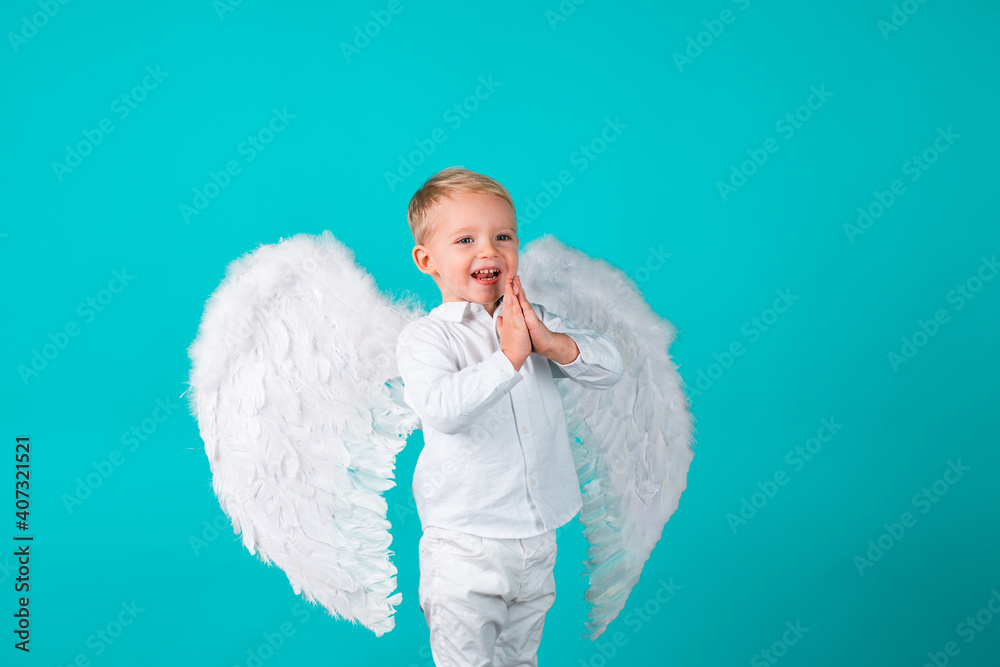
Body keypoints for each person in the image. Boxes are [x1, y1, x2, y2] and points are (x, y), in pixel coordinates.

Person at [395, 166, 624, 665]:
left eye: (503, 236)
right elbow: (442, 409)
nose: (488, 251)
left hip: (538, 536)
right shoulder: (428, 338)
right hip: (466, 544)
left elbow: (609, 369)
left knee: (520, 659)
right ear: (426, 259)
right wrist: (510, 358)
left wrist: (551, 343)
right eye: (465, 239)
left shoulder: (529, 320)